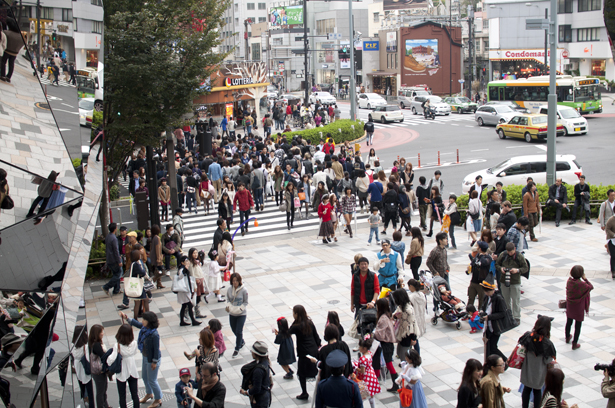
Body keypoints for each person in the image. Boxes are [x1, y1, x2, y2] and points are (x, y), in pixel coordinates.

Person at [118, 311, 162, 408]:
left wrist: (154, 362)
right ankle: (149, 393)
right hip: (145, 357)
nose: (142, 321)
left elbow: (156, 349)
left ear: (149, 321)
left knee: (152, 380)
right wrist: (126, 317)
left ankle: (158, 398)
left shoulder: (154, 334)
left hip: (152, 359)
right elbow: (136, 323)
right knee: (145, 377)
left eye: (144, 319)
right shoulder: (145, 328)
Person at [518, 315, 556, 408]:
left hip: (527, 368)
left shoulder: (528, 336)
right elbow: (548, 360)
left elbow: (521, 347)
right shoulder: (547, 343)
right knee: (537, 391)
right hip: (539, 371)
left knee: (526, 389)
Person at [289, 305, 321, 400]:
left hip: (304, 353)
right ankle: (319, 390)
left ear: (297, 314)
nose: (293, 315)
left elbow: (288, 331)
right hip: (313, 350)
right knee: (318, 370)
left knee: (302, 373)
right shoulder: (309, 322)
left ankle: (304, 392)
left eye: (294, 313)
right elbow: (316, 336)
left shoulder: (296, 326)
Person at [108, 324, 140, 408]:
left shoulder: (117, 346)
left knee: (122, 396)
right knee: (135, 395)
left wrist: (107, 360)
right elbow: (134, 352)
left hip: (122, 372)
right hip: (133, 370)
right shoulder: (134, 343)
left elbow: (111, 359)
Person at [496, 242, 528, 325]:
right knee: (506, 300)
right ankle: (507, 315)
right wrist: (501, 269)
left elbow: (525, 268)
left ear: (515, 249)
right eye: (508, 252)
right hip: (504, 280)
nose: (510, 254)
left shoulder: (519, 256)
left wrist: (517, 270)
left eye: (511, 252)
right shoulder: (503, 255)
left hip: (515, 281)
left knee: (516, 300)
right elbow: (497, 264)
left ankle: (516, 317)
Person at [480, 275, 508, 366]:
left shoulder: (499, 298)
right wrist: (481, 311)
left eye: (488, 291)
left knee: (493, 347)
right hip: (487, 326)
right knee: (488, 346)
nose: (486, 293)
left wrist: (489, 317)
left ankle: (505, 361)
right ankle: (490, 364)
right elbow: (484, 307)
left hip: (496, 326)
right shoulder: (486, 297)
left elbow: (502, 313)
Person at [565, 265, 593, 350]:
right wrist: (585, 279)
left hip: (570, 306)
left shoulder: (569, 281)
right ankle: (574, 343)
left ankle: (567, 337)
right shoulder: (582, 284)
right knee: (578, 325)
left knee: (569, 322)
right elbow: (591, 287)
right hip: (579, 308)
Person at [373, 298, 399, 392]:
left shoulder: (383, 318)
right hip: (388, 344)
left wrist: (373, 334)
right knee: (389, 363)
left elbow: (380, 334)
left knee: (389, 364)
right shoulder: (387, 315)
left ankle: (396, 383)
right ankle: (396, 383)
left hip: (386, 344)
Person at [239, 341, 272, 408]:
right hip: (265, 395)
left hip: (260, 400)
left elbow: (257, 389)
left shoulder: (258, 370)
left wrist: (245, 392)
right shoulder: (266, 361)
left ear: (256, 354)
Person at [393, 288, 420, 362]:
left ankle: (406, 368)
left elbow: (412, 325)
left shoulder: (408, 310)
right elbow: (395, 314)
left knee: (404, 355)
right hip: (402, 335)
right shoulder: (402, 306)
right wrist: (395, 316)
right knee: (399, 352)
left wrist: (413, 339)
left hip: (407, 336)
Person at [71, 327, 95, 407]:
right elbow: (88, 359)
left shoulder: (72, 346)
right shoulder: (85, 347)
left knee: (82, 387)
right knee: (90, 391)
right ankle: (90, 404)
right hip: (85, 369)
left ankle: (84, 400)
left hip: (78, 368)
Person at [226, 273, 248, 358]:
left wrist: (241, 308)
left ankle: (237, 348)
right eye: (233, 280)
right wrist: (228, 306)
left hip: (241, 314)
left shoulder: (244, 290)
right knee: (233, 329)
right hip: (232, 312)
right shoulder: (229, 289)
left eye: (236, 280)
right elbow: (228, 299)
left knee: (239, 331)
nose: (235, 282)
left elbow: (245, 302)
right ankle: (241, 341)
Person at [176, 255, 202, 327]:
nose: (187, 262)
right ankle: (193, 321)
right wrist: (185, 269)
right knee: (189, 305)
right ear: (182, 262)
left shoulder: (184, 268)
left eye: (188, 261)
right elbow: (180, 276)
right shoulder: (182, 269)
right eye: (186, 261)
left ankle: (182, 321)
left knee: (184, 306)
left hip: (185, 290)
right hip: (183, 290)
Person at [355, 336, 380, 408]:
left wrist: (357, 368)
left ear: (364, 348)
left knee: (363, 394)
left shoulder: (363, 359)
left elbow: (362, 371)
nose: (359, 348)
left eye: (360, 347)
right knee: (371, 394)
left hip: (366, 377)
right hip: (372, 375)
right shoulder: (369, 353)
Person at [468, 241, 492, 309]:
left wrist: (481, 256)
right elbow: (472, 264)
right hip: (473, 281)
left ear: (480, 249)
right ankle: (469, 313)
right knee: (471, 298)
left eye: (478, 247)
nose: (477, 248)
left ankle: (480, 314)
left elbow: (483, 263)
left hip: (481, 283)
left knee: (481, 301)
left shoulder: (488, 258)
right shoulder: (477, 256)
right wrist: (469, 270)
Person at [0, 18, 25, 83]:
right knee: (11, 64)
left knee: (3, 62)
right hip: (15, 52)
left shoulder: (7, 32)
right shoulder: (21, 37)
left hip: (7, 50)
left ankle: (2, 75)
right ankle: (8, 77)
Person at [102, 223, 123, 296]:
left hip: (109, 259)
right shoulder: (114, 238)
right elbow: (116, 250)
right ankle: (106, 286)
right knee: (118, 274)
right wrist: (119, 261)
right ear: (115, 229)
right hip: (114, 259)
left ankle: (116, 290)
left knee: (115, 274)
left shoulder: (108, 236)